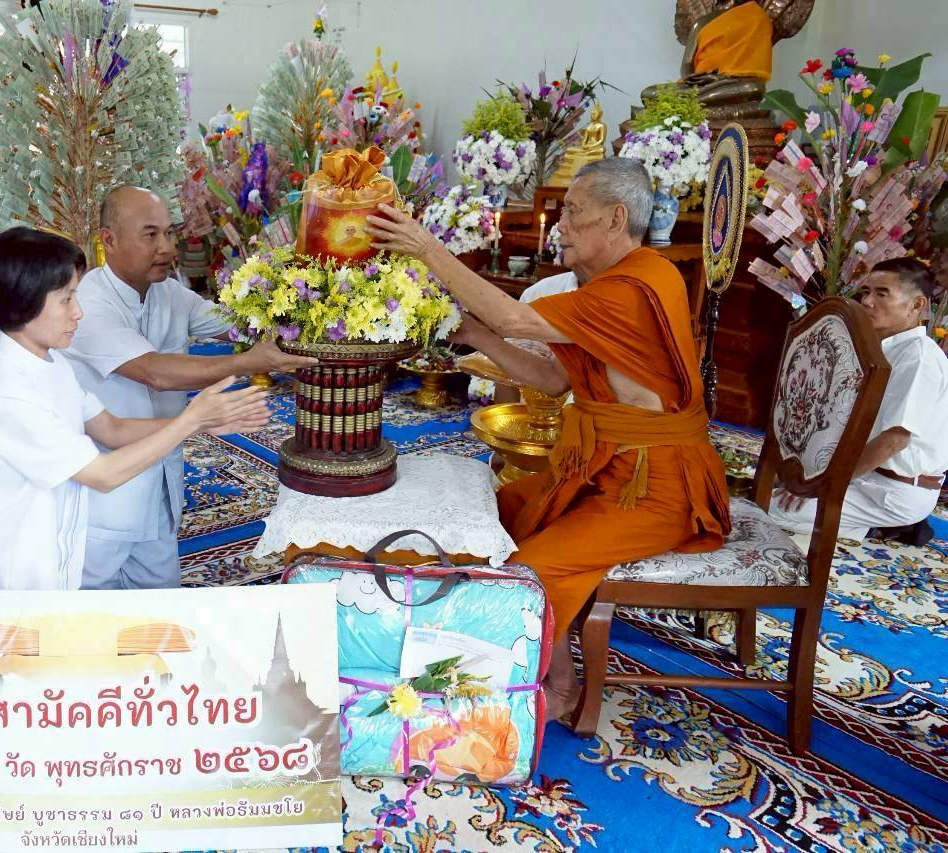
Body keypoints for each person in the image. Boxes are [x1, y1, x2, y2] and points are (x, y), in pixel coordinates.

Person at [366, 158, 731, 721]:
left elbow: (516, 320)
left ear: (616, 219)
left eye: (573, 212)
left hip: (653, 486)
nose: (560, 225)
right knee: (492, 516)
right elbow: (554, 379)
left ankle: (559, 688)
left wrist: (425, 247)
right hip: (602, 467)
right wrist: (473, 332)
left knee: (529, 570)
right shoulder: (608, 285)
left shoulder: (640, 284)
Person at [0, 227, 270, 591]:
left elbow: (111, 429)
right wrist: (191, 419)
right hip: (4, 569)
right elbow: (102, 474)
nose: (78, 312)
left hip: (44, 550)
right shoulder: (11, 393)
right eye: (66, 299)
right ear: (25, 303)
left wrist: (201, 423)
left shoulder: (50, 362)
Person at [66, 186, 317, 590]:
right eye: (150, 235)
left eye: (169, 233)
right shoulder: (88, 304)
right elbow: (154, 372)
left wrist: (306, 305)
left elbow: (234, 322)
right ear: (108, 239)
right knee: (86, 612)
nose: (166, 247)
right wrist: (248, 362)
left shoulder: (168, 292)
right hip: (102, 491)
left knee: (162, 604)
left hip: (161, 482)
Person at [770, 257, 948, 545]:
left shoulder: (919, 358)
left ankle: (891, 528)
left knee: (774, 509)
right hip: (867, 474)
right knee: (772, 488)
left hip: (895, 490)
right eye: (866, 292)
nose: (867, 302)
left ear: (917, 305)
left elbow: (894, 441)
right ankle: (863, 521)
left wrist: (827, 485)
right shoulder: (879, 348)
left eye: (882, 294)